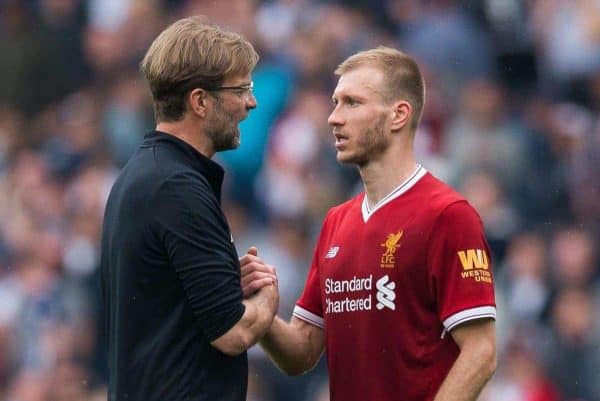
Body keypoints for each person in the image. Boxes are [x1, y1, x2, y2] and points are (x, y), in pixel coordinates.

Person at [242, 47, 497, 401]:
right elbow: (302, 351)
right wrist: (262, 314)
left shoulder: (448, 215)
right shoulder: (335, 222)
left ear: (398, 115)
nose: (334, 117)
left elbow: (480, 352)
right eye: (334, 102)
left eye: (352, 103)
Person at [100, 17, 278, 401]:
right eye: (241, 89)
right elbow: (233, 333)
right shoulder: (176, 187)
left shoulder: (144, 176)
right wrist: (266, 296)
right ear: (199, 101)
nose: (252, 101)